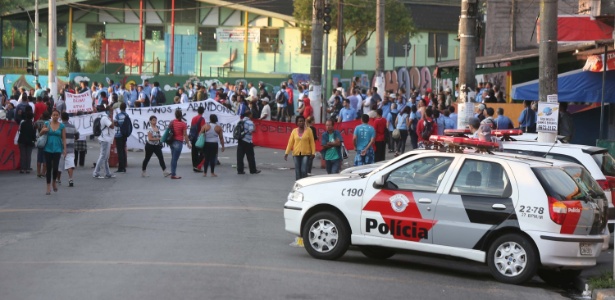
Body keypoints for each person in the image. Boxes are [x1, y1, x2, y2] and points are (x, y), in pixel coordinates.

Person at [39, 110, 67, 195]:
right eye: (54, 115)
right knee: (49, 167)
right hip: (48, 148)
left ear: (59, 116)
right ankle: (48, 187)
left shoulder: (62, 126)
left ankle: (54, 182)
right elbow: (40, 134)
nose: (55, 116)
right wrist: (44, 130)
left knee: (55, 168)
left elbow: (64, 138)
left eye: (57, 115)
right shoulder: (47, 124)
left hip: (57, 149)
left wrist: (65, 149)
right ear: (51, 116)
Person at [284, 115, 316, 180]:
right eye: (299, 121)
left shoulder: (309, 130)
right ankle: (298, 184)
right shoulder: (294, 131)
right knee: (297, 171)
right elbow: (290, 143)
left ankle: (304, 182)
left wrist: (313, 152)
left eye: (302, 121)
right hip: (296, 154)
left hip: (306, 153)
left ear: (304, 122)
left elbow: (312, 142)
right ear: (297, 123)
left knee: (304, 170)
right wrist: (286, 153)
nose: (301, 122)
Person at [93, 105, 115, 179]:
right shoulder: (105, 118)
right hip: (104, 139)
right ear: (108, 111)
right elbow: (112, 126)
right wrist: (112, 117)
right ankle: (96, 172)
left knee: (105, 157)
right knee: (103, 156)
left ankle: (107, 173)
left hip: (106, 138)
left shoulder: (105, 117)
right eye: (111, 111)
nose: (112, 113)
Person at [168, 109, 192, 179]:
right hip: (179, 142)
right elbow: (185, 135)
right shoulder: (183, 124)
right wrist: (188, 144)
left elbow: (168, 130)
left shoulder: (172, 122)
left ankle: (173, 172)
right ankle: (173, 174)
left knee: (173, 158)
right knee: (175, 159)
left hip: (172, 141)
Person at [60, 112, 77, 187]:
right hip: (70, 148)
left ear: (61, 118)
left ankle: (58, 179)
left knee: (59, 165)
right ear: (68, 118)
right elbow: (77, 134)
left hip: (60, 148)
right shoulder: (73, 127)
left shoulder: (59, 126)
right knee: (70, 164)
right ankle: (70, 179)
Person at [114, 103, 130, 173]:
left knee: (119, 151)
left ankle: (121, 167)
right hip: (124, 135)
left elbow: (116, 124)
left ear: (120, 108)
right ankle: (124, 166)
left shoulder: (118, 115)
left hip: (118, 134)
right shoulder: (127, 115)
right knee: (123, 150)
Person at [190, 107, 207, 172]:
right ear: (203, 112)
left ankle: (194, 165)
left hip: (193, 136)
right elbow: (203, 129)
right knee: (203, 152)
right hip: (199, 137)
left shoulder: (194, 118)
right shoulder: (202, 119)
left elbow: (191, 127)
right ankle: (198, 165)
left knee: (194, 152)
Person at [35, 111, 50, 178]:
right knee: (45, 158)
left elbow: (34, 127)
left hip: (40, 140)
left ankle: (38, 172)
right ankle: (43, 172)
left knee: (39, 157)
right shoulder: (49, 123)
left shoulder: (38, 122)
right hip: (47, 141)